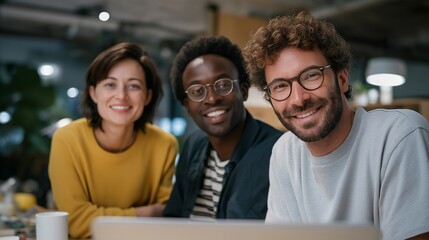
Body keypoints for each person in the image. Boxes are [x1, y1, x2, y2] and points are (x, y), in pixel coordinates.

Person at [243, 11, 429, 240]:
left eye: (311, 76)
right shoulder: (284, 152)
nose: (298, 99)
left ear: (342, 79)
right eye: (280, 86)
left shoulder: (399, 135)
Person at [48, 42, 178, 239]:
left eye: (133, 86)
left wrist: (99, 219)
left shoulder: (164, 144)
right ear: (93, 93)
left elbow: (166, 217)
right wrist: (145, 213)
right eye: (110, 84)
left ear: (147, 96)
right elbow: (75, 222)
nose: (121, 96)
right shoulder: (67, 139)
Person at [163, 36, 282, 220]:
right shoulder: (192, 146)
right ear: (187, 105)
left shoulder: (277, 151)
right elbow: (173, 219)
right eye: (197, 91)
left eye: (224, 85)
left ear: (243, 90)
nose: (212, 98)